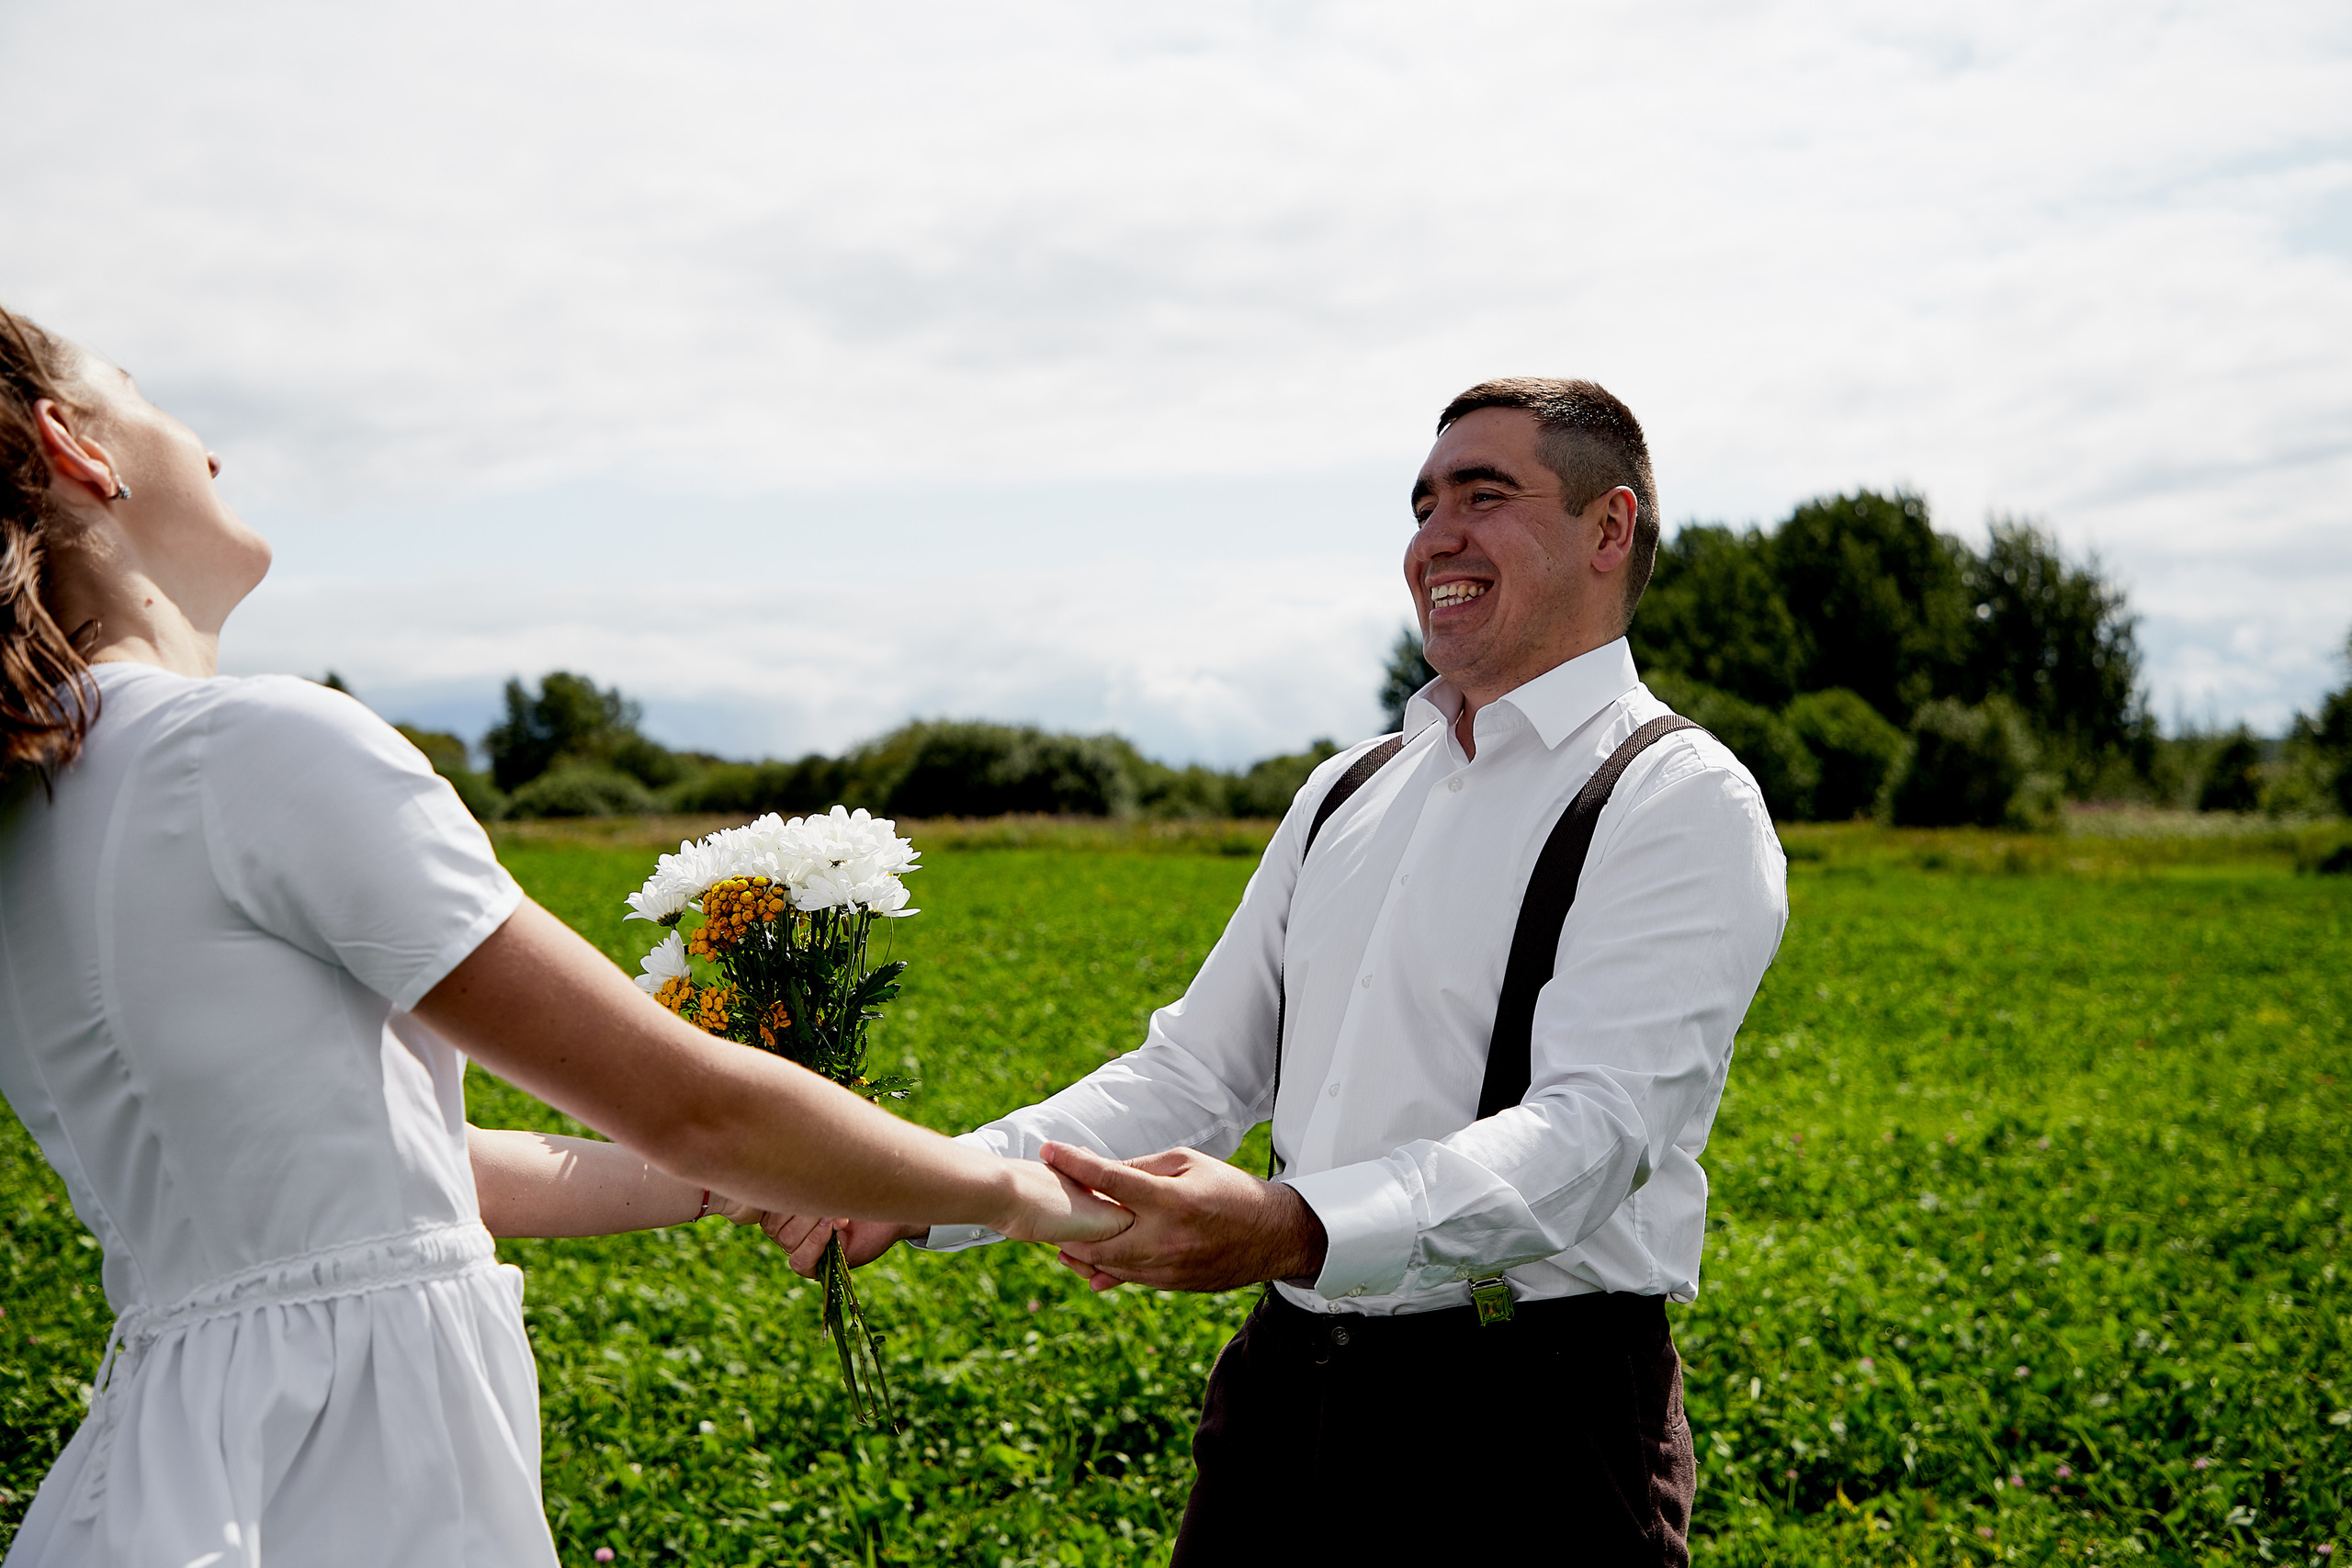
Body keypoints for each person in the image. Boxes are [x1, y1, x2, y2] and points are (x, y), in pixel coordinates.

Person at [0, 304, 1130, 1568]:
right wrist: (1020, 1194)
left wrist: (743, 1181)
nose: (208, 451)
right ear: (76, 446)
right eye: (151, 396)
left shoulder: (29, 818)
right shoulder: (256, 751)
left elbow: (395, 1171)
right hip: (353, 1461)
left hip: (164, 1456)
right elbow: (685, 1099)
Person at [767, 378, 1790, 1562]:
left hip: (1529, 1417)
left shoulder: (1677, 796)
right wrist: (930, 1182)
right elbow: (1198, 1068)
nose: (1434, 538)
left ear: (1609, 530)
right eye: (1422, 504)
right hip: (1286, 1392)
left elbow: (1593, 1134)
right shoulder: (1347, 789)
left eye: (1486, 494)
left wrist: (1291, 1225)